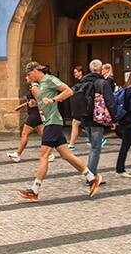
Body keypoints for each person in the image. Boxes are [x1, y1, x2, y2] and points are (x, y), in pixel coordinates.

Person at [19, 61, 101, 201]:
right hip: (50, 121)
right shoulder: (41, 84)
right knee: (66, 155)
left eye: (28, 74)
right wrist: (35, 103)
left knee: (44, 155)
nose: (28, 77)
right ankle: (92, 178)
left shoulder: (49, 79)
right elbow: (42, 100)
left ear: (34, 71)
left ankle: (35, 190)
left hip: (53, 122)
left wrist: (54, 99)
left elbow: (68, 91)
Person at [73, 60, 115, 183]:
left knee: (93, 147)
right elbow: (110, 102)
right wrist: (114, 119)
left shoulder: (83, 82)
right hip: (98, 118)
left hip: (85, 118)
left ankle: (90, 174)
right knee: (96, 148)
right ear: (101, 68)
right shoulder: (102, 83)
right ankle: (91, 177)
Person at [7, 82, 44, 163]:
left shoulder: (35, 87)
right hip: (33, 113)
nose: (26, 78)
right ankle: (50, 153)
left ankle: (18, 154)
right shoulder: (33, 87)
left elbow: (41, 101)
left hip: (34, 114)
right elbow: (31, 101)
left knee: (24, 134)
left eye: (28, 76)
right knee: (43, 135)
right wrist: (21, 106)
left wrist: (39, 107)